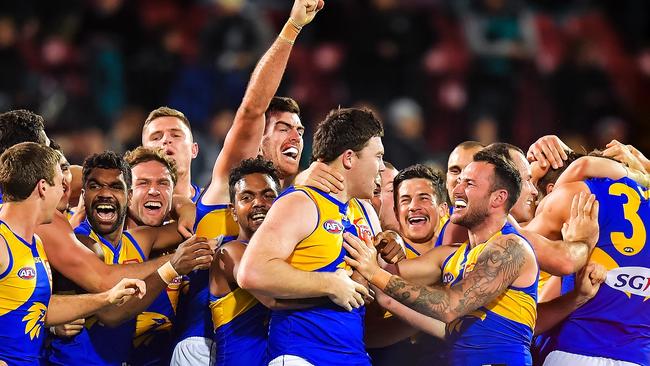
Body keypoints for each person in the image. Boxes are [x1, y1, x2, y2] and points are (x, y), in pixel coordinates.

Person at [171, 1, 328, 363]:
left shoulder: (300, 202)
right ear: (259, 139)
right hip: (204, 346)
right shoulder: (229, 182)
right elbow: (252, 109)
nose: (296, 137)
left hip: (272, 349)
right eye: (284, 128)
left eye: (301, 130)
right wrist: (292, 28)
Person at [345, 149, 539, 365]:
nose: (457, 189)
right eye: (459, 182)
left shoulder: (511, 248)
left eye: (470, 184)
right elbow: (385, 280)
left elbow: (450, 306)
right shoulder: (451, 256)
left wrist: (375, 273)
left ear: (498, 198)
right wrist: (390, 237)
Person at [0, 110, 199, 300]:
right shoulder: (39, 218)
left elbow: (111, 175)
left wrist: (182, 204)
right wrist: (173, 262)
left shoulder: (39, 184)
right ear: (27, 156)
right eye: (47, 149)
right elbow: (104, 282)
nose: (54, 155)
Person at [238, 107, 385, 366]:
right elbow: (252, 272)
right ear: (349, 158)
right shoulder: (301, 202)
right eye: (378, 156)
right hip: (301, 354)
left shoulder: (365, 212)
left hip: (354, 355)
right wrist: (330, 284)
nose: (382, 167)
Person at [48, 151, 214, 365]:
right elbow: (112, 315)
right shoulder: (78, 243)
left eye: (115, 187)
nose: (105, 194)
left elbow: (195, 219)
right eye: (95, 186)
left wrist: (183, 206)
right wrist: (173, 266)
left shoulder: (141, 239)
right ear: (83, 195)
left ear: (129, 196)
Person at [0, 142, 146, 366]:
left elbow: (40, 307)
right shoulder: (1, 242)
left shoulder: (35, 243)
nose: (64, 193)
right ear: (42, 188)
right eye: (60, 184)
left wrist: (107, 297)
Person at [209, 157, 282, 366]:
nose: (259, 203)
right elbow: (273, 297)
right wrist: (333, 288)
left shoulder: (284, 255)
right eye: (247, 197)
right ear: (233, 211)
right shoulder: (229, 252)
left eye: (268, 195)